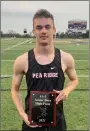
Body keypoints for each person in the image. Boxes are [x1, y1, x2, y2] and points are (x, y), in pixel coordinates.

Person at [11, 9, 78, 131]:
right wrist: (22, 113)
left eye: (47, 27)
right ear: (33, 31)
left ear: (54, 30)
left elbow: (74, 80)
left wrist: (67, 90)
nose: (43, 31)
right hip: (32, 122)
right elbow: (15, 89)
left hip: (57, 121)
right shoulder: (22, 60)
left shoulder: (66, 58)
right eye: (39, 27)